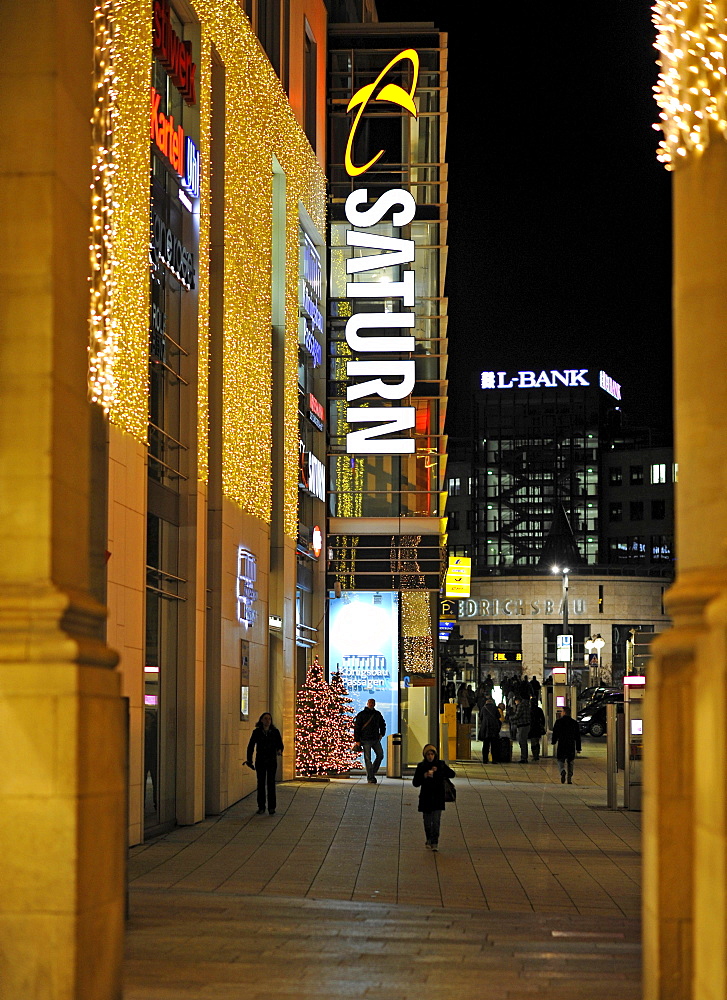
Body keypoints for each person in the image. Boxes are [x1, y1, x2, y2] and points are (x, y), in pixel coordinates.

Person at [412, 744, 456, 852]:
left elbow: (452, 774)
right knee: (427, 822)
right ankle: (428, 839)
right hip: (426, 797)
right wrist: (424, 776)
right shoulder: (421, 766)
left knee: (436, 821)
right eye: (428, 754)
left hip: (438, 797)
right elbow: (415, 783)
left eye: (432, 754)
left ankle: (435, 842)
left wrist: (439, 771)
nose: (430, 756)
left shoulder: (440, 764)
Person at [246, 712, 284, 814]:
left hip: (271, 760)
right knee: (261, 783)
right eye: (265, 719)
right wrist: (249, 760)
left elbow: (280, 744)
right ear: (261, 720)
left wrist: (279, 750)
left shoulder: (275, 732)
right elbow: (251, 746)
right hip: (261, 760)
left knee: (271, 783)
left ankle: (272, 807)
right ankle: (261, 806)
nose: (267, 721)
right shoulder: (257, 732)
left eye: (269, 719)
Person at [354, 698, 386, 783]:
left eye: (373, 703)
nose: (371, 704)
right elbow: (357, 727)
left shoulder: (377, 714)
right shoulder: (362, 714)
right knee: (368, 759)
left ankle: (371, 772)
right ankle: (371, 777)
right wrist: (357, 740)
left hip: (374, 739)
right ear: (367, 703)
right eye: (370, 702)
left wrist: (381, 734)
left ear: (374, 704)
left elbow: (382, 724)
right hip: (365, 739)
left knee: (380, 755)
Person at [551, 705, 582, 784]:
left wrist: (553, 741)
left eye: (562, 711)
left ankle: (562, 771)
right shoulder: (574, 723)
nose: (561, 713)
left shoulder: (558, 722)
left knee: (560, 760)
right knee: (570, 761)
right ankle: (569, 779)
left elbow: (555, 733)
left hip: (562, 743)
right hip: (571, 744)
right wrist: (578, 748)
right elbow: (577, 736)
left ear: (564, 712)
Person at [479, 695, 502, 763]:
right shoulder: (495, 708)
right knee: (494, 745)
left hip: (486, 728)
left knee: (486, 745)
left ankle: (485, 759)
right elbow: (499, 716)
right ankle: (494, 760)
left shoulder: (483, 708)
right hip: (494, 728)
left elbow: (481, 717)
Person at [510, 693, 532, 762]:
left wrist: (511, 718)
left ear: (517, 700)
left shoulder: (520, 705)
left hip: (522, 725)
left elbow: (517, 715)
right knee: (524, 741)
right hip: (527, 725)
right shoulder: (527, 705)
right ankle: (524, 757)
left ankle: (524, 758)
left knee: (522, 742)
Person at [528, 696, 546, 762]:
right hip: (538, 727)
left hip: (532, 727)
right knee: (537, 741)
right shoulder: (539, 710)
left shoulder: (529, 710)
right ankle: (537, 754)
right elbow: (543, 719)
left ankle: (534, 754)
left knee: (533, 742)